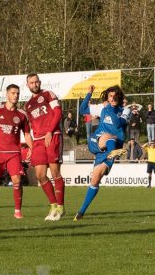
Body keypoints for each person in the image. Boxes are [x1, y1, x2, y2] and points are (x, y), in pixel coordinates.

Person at [74, 85, 130, 221]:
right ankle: (112, 152)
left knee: (96, 178)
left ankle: (80, 212)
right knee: (108, 136)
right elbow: (83, 110)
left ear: (119, 97)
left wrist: (110, 108)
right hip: (98, 140)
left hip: (112, 147)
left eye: (115, 95)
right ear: (107, 97)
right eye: (110, 96)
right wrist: (89, 93)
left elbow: (117, 124)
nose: (113, 98)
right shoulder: (102, 108)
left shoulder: (125, 110)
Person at [0, 84, 33, 219]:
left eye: (18, 93)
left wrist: (33, 148)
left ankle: (17, 211)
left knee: (17, 181)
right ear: (7, 94)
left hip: (14, 153)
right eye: (13, 93)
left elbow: (27, 135)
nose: (16, 95)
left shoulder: (22, 115)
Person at [25, 73, 66, 221]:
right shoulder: (28, 105)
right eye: (31, 83)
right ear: (27, 85)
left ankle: (60, 207)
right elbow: (31, 125)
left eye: (36, 82)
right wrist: (32, 146)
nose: (34, 84)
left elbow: (58, 113)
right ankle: (53, 205)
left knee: (55, 174)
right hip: (38, 141)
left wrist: (50, 132)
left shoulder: (49, 94)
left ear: (39, 82)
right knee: (40, 176)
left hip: (53, 135)